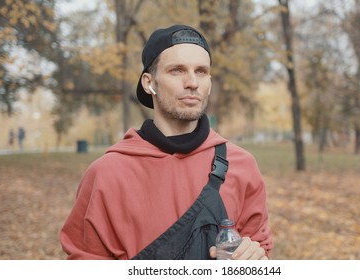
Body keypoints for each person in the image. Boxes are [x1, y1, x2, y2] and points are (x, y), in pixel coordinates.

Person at [60, 24, 273, 260]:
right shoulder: (106, 174)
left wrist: (256, 257)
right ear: (149, 83)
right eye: (177, 70)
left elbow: (260, 247)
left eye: (201, 71)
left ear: (210, 83)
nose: (192, 82)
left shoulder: (241, 165)